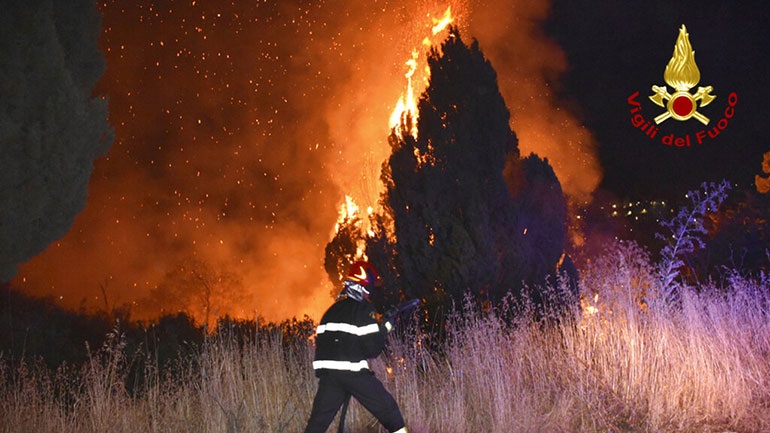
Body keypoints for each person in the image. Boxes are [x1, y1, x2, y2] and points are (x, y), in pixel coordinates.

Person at [303, 260, 408, 433]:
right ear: (360, 287)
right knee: (390, 412)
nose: (370, 294)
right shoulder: (364, 310)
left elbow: (327, 344)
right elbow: (372, 349)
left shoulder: (331, 311)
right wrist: (385, 327)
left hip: (329, 377)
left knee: (317, 424)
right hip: (354, 374)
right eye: (369, 289)